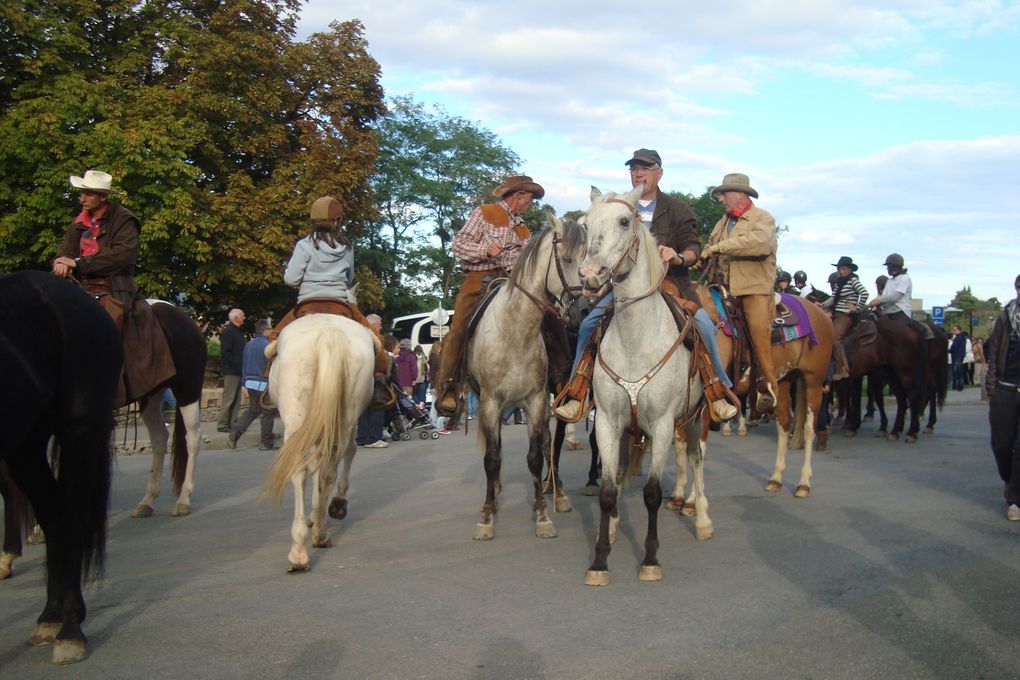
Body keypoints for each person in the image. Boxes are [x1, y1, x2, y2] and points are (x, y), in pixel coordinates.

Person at [554, 149, 738, 422]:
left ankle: (718, 389)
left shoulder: (677, 208)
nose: (638, 173)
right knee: (589, 324)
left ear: (659, 173)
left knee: (706, 327)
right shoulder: (617, 209)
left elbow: (693, 249)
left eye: (645, 168)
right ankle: (577, 391)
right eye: (634, 169)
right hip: (625, 288)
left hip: (670, 283)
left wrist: (677, 255)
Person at [52, 169, 175, 407]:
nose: (83, 197)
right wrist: (59, 261)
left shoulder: (124, 219)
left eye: (89, 193)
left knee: (107, 323)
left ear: (103, 197)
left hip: (113, 287)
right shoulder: (78, 223)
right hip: (78, 285)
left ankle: (110, 385)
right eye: (82, 192)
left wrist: (77, 263)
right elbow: (65, 250)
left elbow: (122, 257)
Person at [434, 175, 543, 416]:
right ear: (518, 195)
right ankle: (449, 387)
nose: (531, 203)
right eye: (530, 198)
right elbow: (459, 244)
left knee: (546, 319)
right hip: (479, 279)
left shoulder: (524, 229)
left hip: (513, 283)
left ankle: (555, 377)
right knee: (460, 327)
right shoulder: (485, 212)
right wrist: (486, 249)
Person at [278, 195, 391, 383]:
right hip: (340, 303)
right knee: (375, 341)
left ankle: (266, 382)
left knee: (274, 338)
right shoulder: (346, 247)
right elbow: (349, 278)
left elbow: (291, 279)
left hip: (308, 304)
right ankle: (379, 380)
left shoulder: (304, 245)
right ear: (337, 221)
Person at [702, 172, 779, 412]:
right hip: (722, 287)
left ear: (741, 194)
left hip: (752, 289)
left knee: (757, 328)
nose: (721, 199)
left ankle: (767, 385)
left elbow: (759, 244)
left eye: (724, 194)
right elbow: (710, 247)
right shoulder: (722, 222)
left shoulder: (762, 218)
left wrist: (718, 247)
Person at [984, 274, 1020, 521]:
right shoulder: (1006, 317)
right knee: (1002, 445)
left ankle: (1015, 501)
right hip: (1005, 388)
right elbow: (994, 349)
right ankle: (1009, 480)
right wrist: (992, 386)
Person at [818, 256, 869, 380]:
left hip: (845, 315)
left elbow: (864, 293)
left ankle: (842, 368)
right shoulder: (840, 282)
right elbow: (832, 298)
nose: (841, 271)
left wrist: (857, 307)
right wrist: (821, 305)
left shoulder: (853, 281)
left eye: (844, 269)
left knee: (835, 337)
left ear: (850, 269)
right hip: (836, 312)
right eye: (839, 269)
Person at [227, 319, 275, 450]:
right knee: (268, 411)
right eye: (270, 329)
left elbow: (244, 364)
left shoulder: (249, 345)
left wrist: (244, 383)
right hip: (264, 383)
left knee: (253, 410)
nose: (272, 331)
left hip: (250, 382)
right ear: (265, 331)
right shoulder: (268, 346)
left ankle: (235, 434)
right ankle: (266, 442)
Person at [356, 314, 389, 448]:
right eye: (379, 324)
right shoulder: (375, 338)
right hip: (375, 376)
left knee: (363, 409)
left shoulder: (359, 337)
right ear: (375, 324)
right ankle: (374, 437)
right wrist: (383, 371)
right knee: (378, 406)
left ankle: (362, 437)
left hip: (360, 377)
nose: (380, 327)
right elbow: (381, 359)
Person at [217, 308, 246, 432]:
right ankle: (222, 423)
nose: (244, 318)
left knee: (237, 398)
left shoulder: (237, 332)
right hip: (231, 370)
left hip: (238, 370)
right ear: (236, 318)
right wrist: (236, 363)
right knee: (229, 397)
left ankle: (233, 422)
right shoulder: (229, 332)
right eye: (242, 315)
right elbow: (226, 353)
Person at [868, 253, 912, 321]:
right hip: (888, 312)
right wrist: (873, 303)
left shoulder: (905, 278)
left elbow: (894, 297)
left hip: (900, 312)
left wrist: (878, 300)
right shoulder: (889, 281)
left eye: (888, 266)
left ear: (894, 267)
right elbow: (885, 296)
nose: (887, 269)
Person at [949, 325, 966, 391]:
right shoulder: (962, 337)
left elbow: (954, 347)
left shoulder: (957, 338)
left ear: (958, 330)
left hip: (956, 356)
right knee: (960, 371)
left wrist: (949, 350)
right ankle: (960, 385)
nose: (953, 331)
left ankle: (956, 386)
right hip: (960, 356)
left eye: (954, 329)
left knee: (956, 371)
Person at [974, 337, 988, 401]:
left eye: (981, 341)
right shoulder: (976, 346)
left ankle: (980, 381)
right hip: (978, 360)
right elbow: (974, 352)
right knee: (977, 371)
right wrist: (978, 348)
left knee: (982, 371)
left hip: (983, 360)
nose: (980, 342)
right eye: (979, 341)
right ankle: (976, 382)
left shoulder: (984, 346)